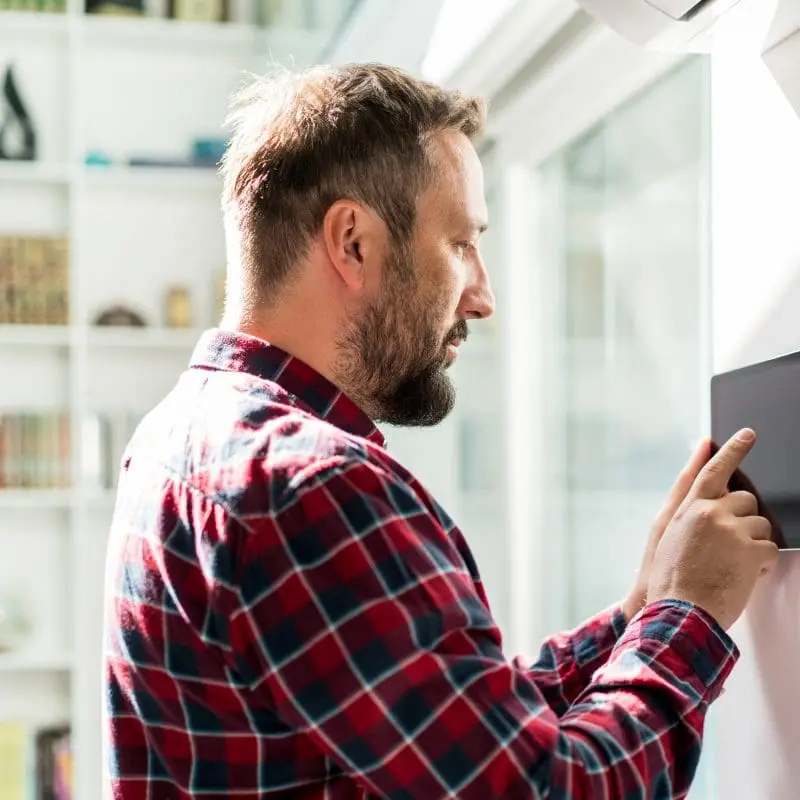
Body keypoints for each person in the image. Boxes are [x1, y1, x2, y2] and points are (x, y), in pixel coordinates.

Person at [102, 63, 778, 799]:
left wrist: (640, 612)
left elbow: (456, 733)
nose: (483, 296)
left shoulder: (185, 434)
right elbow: (550, 790)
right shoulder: (312, 487)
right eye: (461, 244)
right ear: (352, 241)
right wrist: (692, 611)